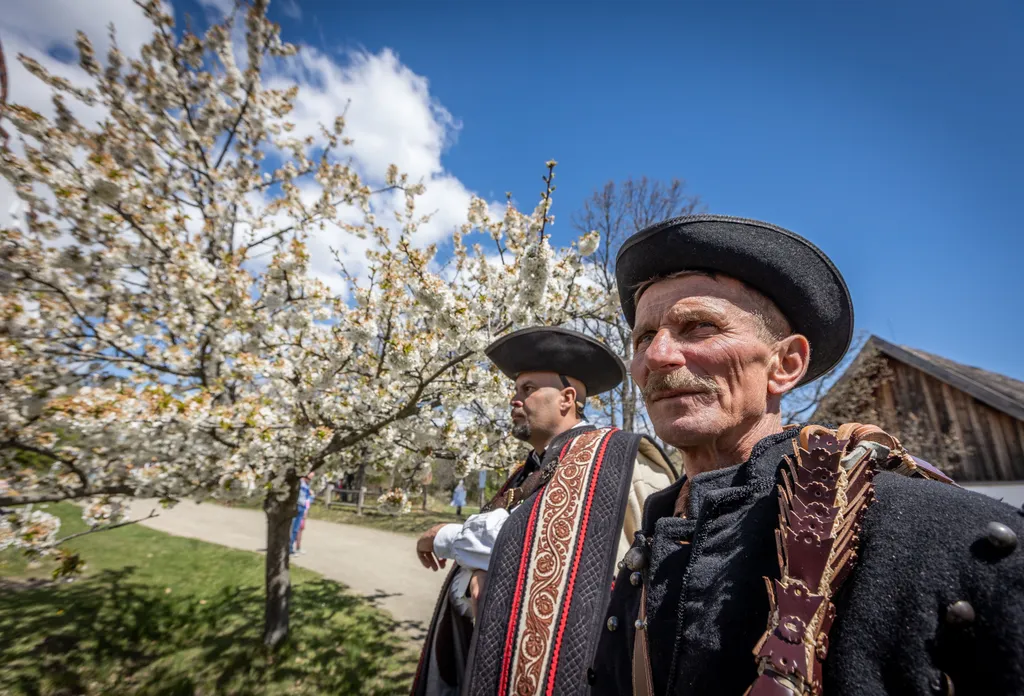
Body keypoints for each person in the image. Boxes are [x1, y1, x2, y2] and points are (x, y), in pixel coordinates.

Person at [588, 214, 1024, 696]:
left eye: (698, 327)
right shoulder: (646, 543)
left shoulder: (944, 536)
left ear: (786, 364)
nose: (657, 356)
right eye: (644, 338)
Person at [411, 326, 679, 696]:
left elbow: (663, 584)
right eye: (516, 390)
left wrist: (440, 536)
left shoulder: (625, 464)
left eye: (528, 389)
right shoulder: (526, 472)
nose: (514, 400)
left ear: (567, 399)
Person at [290, 472, 314, 555]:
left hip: (302, 507)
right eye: (309, 478)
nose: (310, 480)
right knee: (293, 528)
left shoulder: (307, 486)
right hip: (296, 506)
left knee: (297, 529)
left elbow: (308, 499)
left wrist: (306, 510)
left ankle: (294, 547)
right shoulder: (299, 483)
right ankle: (289, 548)